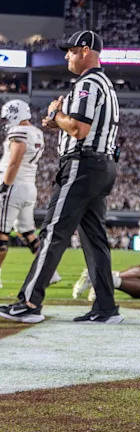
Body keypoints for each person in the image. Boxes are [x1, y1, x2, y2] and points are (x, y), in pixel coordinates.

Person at [0, 31, 122, 324]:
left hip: (82, 166)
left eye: (70, 51)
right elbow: (81, 127)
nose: (66, 56)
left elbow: (80, 130)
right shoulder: (104, 83)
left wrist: (57, 115)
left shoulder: (89, 83)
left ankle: (29, 302)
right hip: (101, 166)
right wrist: (59, 123)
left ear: (84, 50)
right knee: (94, 239)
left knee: (53, 232)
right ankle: (106, 307)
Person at [0, 100, 46, 288]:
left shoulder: (19, 132)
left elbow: (14, 162)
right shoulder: (37, 132)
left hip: (14, 186)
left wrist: (4, 185)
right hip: (28, 186)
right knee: (27, 232)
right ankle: (49, 272)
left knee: (1, 233)